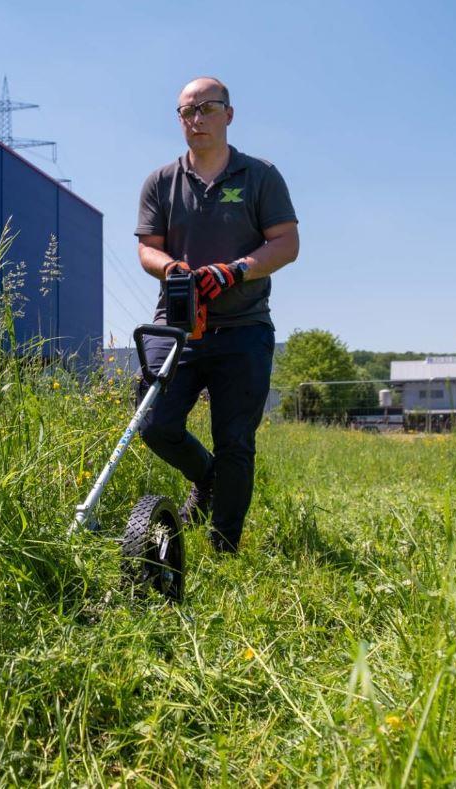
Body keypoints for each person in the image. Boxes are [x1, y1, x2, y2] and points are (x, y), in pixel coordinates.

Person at [135, 76, 299, 553]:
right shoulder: (161, 182)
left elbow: (286, 243)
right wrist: (172, 269)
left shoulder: (260, 176)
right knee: (154, 424)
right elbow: (148, 248)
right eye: (187, 111)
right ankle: (207, 479)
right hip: (178, 327)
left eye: (207, 108)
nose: (197, 118)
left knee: (236, 442)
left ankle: (224, 548)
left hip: (244, 327)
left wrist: (236, 271)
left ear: (229, 114)